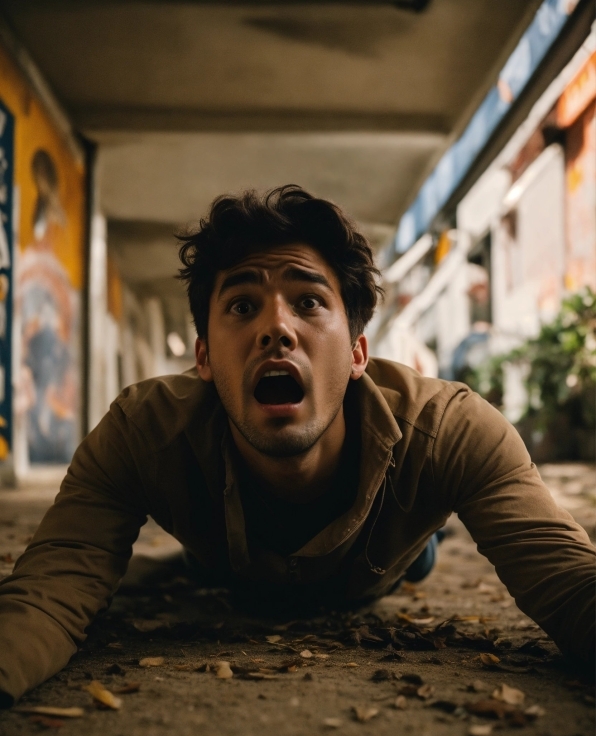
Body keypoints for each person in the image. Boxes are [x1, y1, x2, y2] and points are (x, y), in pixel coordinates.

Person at [0, 185, 593, 707]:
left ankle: (421, 542)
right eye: (240, 306)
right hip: (230, 565)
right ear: (203, 357)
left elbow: (569, 580)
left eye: (309, 301)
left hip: (381, 560)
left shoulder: (451, 430)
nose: (276, 327)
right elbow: (47, 593)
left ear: (359, 353)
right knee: (203, 570)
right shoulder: (141, 435)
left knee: (419, 554)